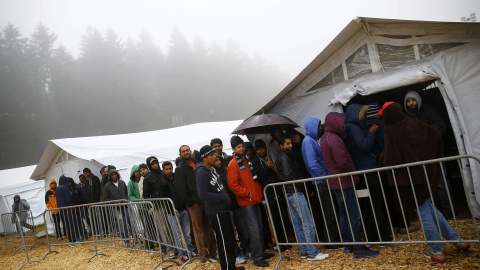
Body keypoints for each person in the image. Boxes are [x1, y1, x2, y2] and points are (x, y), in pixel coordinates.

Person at [380, 102, 469, 263]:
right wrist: (429, 157)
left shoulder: (391, 130)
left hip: (409, 180)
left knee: (424, 213)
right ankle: (457, 240)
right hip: (423, 174)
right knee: (430, 208)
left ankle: (436, 250)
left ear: (388, 115)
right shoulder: (412, 122)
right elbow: (435, 133)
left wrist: (383, 158)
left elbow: (391, 160)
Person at [320, 112, 379, 259]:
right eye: (341, 123)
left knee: (344, 215)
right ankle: (359, 248)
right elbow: (343, 163)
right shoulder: (335, 139)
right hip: (344, 182)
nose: (344, 125)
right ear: (334, 123)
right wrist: (354, 173)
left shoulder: (324, 139)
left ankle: (349, 244)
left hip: (336, 183)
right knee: (353, 215)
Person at [344, 104, 396, 245]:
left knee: (367, 207)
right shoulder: (354, 128)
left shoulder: (350, 128)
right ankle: (383, 237)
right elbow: (364, 146)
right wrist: (371, 133)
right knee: (375, 205)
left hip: (362, 172)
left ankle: (372, 237)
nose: (364, 116)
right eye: (361, 113)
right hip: (367, 171)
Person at [276, 136, 329, 261]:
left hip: (288, 192)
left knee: (298, 224)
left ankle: (305, 250)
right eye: (288, 143)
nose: (291, 145)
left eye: (290, 143)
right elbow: (289, 176)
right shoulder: (284, 157)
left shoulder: (281, 157)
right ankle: (312, 252)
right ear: (281, 145)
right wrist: (302, 184)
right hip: (294, 191)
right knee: (307, 222)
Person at [404, 91, 454, 220]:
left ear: (418, 100)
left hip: (434, 154)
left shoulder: (429, 112)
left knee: (441, 183)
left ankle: (448, 210)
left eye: (413, 100)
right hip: (420, 157)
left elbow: (441, 126)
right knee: (428, 185)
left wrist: (424, 133)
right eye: (408, 101)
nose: (411, 104)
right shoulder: (407, 118)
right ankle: (437, 211)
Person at [196, 145, 245, 270]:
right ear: (205, 158)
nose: (215, 157)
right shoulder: (201, 172)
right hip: (216, 212)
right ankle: (227, 268)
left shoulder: (211, 170)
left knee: (229, 240)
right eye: (211, 155)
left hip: (223, 209)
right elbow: (202, 194)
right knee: (223, 242)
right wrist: (221, 198)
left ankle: (231, 266)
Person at [227, 136, 271, 267]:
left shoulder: (246, 160)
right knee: (254, 230)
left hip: (255, 198)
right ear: (234, 149)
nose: (241, 148)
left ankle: (261, 252)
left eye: (242, 146)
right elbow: (232, 185)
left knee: (259, 227)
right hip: (247, 201)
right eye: (238, 147)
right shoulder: (233, 164)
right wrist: (247, 193)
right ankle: (257, 257)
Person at [301, 117, 341, 249]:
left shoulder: (312, 140)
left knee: (330, 210)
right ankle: (330, 241)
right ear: (312, 126)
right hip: (321, 181)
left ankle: (334, 238)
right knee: (328, 211)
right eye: (318, 126)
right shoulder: (308, 142)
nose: (321, 128)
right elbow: (312, 164)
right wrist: (325, 175)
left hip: (322, 180)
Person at [175, 145, 217, 261]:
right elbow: (180, 189)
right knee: (198, 230)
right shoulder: (180, 169)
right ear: (180, 154)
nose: (186, 152)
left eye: (187, 150)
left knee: (209, 228)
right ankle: (204, 255)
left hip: (204, 200)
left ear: (190, 151)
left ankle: (213, 252)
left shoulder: (198, 163)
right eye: (183, 151)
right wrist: (190, 203)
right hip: (194, 204)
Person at [251, 139, 294, 252]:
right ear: (256, 150)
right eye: (259, 149)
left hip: (277, 192)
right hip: (268, 194)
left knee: (282, 217)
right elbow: (258, 179)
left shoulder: (269, 158)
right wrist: (266, 167)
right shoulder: (255, 162)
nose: (261, 151)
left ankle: (284, 241)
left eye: (262, 148)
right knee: (273, 219)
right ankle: (277, 243)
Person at [214, 153, 249, 264]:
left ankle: (246, 249)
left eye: (220, 160)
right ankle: (237, 254)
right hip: (225, 207)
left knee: (243, 229)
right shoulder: (213, 175)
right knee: (231, 233)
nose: (219, 162)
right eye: (216, 160)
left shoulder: (227, 169)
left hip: (235, 204)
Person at [162, 161, 198, 263]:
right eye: (167, 169)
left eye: (170, 168)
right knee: (177, 235)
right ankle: (182, 254)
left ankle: (190, 250)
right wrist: (170, 210)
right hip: (172, 212)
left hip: (183, 209)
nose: (169, 171)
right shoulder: (162, 182)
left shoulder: (177, 177)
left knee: (187, 234)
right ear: (163, 170)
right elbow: (164, 199)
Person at [143, 156, 174, 256]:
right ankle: (170, 250)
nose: (155, 165)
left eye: (155, 162)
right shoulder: (148, 178)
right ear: (149, 165)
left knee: (173, 227)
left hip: (170, 204)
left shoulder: (163, 173)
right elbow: (146, 196)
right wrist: (153, 205)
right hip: (159, 207)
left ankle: (178, 247)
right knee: (164, 230)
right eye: (152, 164)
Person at [104, 169, 131, 244]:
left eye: (115, 174)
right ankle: (126, 240)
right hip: (116, 208)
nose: (114, 176)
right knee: (121, 225)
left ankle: (133, 237)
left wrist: (126, 199)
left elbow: (126, 193)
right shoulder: (107, 186)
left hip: (125, 206)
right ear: (110, 176)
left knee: (130, 222)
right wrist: (114, 202)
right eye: (112, 175)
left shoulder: (122, 183)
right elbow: (106, 198)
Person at [56, 175, 80, 245]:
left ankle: (70, 240)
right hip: (68, 208)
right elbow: (68, 198)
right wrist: (72, 205)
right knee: (72, 224)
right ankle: (74, 240)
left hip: (62, 209)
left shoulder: (57, 189)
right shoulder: (65, 188)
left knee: (67, 225)